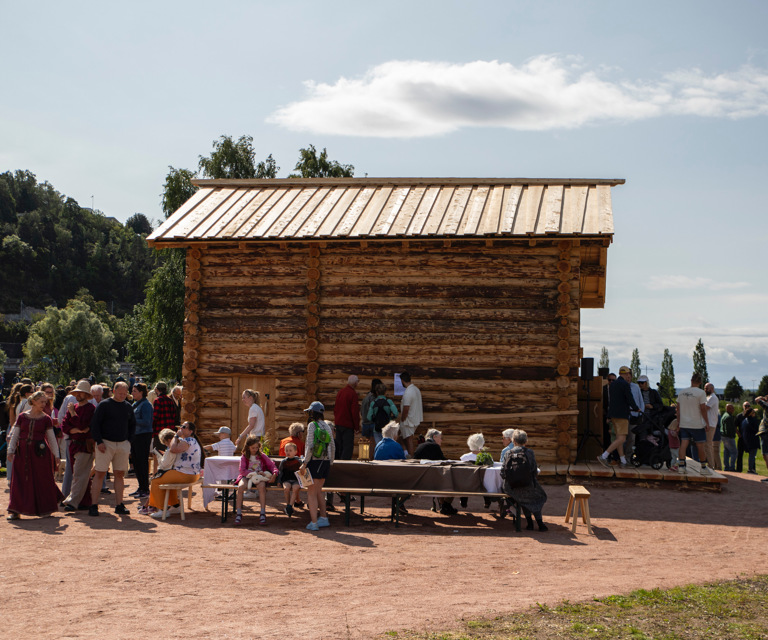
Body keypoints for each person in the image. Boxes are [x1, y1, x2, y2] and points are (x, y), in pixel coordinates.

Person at [6, 390, 62, 520]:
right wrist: (10, 450)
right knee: (19, 480)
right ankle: (15, 510)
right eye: (41, 401)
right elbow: (15, 434)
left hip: (40, 454)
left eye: (45, 402)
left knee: (43, 480)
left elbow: (51, 438)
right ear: (34, 401)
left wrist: (57, 455)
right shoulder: (22, 417)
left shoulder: (46, 419)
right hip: (22, 453)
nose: (44, 404)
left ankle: (46, 509)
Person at [88, 381, 136, 516]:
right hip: (105, 443)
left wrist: (129, 442)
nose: (122, 396)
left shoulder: (128, 406)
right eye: (120, 393)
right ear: (114, 391)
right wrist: (99, 441)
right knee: (100, 473)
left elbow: (132, 425)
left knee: (119, 474)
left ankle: (119, 504)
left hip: (122, 444)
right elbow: (95, 424)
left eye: (125, 393)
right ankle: (94, 505)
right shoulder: (104, 405)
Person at [144, 421, 204, 518]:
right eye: (181, 426)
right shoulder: (190, 440)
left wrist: (175, 436)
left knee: (155, 481)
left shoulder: (188, 440)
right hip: (190, 474)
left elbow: (173, 449)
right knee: (169, 479)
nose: (181, 428)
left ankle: (162, 509)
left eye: (184, 427)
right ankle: (175, 505)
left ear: (190, 431)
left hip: (186, 475)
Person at [501, 429, 548, 531]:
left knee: (521, 497)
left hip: (511, 487)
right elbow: (534, 470)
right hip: (527, 485)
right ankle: (540, 523)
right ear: (526, 441)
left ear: (514, 441)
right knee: (536, 496)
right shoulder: (530, 453)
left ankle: (530, 522)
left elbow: (502, 473)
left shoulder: (507, 453)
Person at [299, 401, 335, 531]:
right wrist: (330, 461)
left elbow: (309, 446)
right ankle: (323, 518)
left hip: (314, 462)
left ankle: (314, 522)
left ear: (312, 413)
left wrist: (304, 463)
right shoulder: (327, 425)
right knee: (319, 490)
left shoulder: (312, 426)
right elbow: (332, 445)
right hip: (325, 462)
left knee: (311, 493)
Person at [61, 380, 96, 511]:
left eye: (81, 393)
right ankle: (85, 501)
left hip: (84, 446)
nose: (78, 395)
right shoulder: (73, 407)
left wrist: (73, 415)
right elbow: (64, 426)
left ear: (86, 394)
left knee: (79, 474)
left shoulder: (90, 409)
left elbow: (83, 426)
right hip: (73, 445)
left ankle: (72, 501)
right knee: (80, 473)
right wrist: (74, 429)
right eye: (77, 392)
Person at [597, 366, 639, 468]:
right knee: (622, 438)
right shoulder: (625, 384)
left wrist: (609, 415)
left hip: (613, 415)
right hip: (622, 415)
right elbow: (629, 398)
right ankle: (604, 456)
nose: (629, 376)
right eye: (628, 374)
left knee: (618, 438)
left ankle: (623, 461)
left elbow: (612, 402)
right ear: (627, 374)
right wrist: (636, 408)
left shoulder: (613, 384)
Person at [233, 434, 277, 525]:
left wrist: (275, 473)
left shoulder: (262, 456)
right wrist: (251, 473)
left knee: (262, 487)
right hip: (247, 477)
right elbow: (242, 470)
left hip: (259, 477)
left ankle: (262, 513)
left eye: (257, 447)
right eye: (253, 448)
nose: (255, 450)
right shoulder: (244, 457)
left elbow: (272, 465)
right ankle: (238, 513)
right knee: (240, 487)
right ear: (248, 447)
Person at [675, 373, 712, 475]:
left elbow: (678, 410)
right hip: (697, 424)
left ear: (691, 380)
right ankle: (703, 468)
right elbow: (703, 409)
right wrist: (707, 423)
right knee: (700, 445)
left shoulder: (682, 392)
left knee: (683, 444)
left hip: (684, 423)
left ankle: (681, 467)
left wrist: (678, 422)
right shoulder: (701, 393)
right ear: (700, 382)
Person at [413, 428, 456, 515]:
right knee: (452, 480)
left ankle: (443, 504)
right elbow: (444, 461)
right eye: (440, 438)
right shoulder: (435, 446)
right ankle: (446, 505)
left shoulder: (420, 446)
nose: (441, 440)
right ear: (434, 437)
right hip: (430, 482)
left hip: (418, 480)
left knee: (440, 478)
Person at [129, 382, 153, 499]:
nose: (132, 393)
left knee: (142, 463)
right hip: (135, 436)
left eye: (134, 391)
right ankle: (140, 487)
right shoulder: (136, 404)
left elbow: (147, 421)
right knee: (136, 463)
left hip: (143, 436)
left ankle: (145, 489)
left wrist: (132, 421)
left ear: (141, 392)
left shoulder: (146, 405)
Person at [459, 433, 493, 510]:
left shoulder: (464, 457)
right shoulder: (487, 457)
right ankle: (487, 501)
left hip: (467, 483)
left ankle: (463, 500)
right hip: (482, 483)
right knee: (486, 480)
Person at [333, 374, 360, 460]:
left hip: (338, 423)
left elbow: (336, 408)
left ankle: (338, 463)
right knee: (347, 447)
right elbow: (354, 412)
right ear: (355, 383)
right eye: (357, 382)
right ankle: (345, 465)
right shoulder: (353, 394)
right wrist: (357, 427)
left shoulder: (340, 392)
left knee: (339, 445)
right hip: (348, 424)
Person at [398, 371, 422, 457]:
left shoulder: (408, 392)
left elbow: (406, 408)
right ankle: (406, 454)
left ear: (402, 380)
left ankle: (411, 458)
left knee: (408, 439)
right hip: (415, 418)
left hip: (409, 420)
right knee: (401, 438)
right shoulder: (416, 389)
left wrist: (403, 418)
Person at [278, 442, 303, 517]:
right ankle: (288, 505)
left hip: (296, 480)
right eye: (287, 450)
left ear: (295, 452)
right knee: (286, 488)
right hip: (286, 479)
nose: (288, 452)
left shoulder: (299, 461)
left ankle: (289, 506)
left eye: (290, 450)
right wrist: (279, 481)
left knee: (295, 488)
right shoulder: (284, 462)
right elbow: (281, 472)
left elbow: (303, 472)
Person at [360, 378, 382, 445]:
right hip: (373, 424)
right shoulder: (374, 399)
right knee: (374, 444)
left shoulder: (366, 398)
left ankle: (369, 455)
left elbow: (361, 411)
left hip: (365, 424)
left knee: (367, 444)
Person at [704, 383, 721, 470]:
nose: (705, 390)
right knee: (706, 445)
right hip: (708, 424)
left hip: (710, 424)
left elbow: (704, 408)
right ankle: (709, 464)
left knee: (708, 445)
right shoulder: (708, 397)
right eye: (705, 388)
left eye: (707, 388)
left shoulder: (712, 398)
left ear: (712, 389)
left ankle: (711, 466)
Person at [740, 408, 759, 474]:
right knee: (752, 455)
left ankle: (751, 469)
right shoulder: (753, 420)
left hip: (747, 440)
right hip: (753, 440)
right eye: (754, 412)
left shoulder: (744, 421)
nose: (754, 414)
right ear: (751, 413)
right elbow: (757, 429)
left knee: (751, 455)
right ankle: (750, 469)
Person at [720, 404, 738, 471]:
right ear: (728, 408)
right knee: (734, 452)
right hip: (728, 437)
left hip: (723, 436)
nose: (733, 409)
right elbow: (728, 429)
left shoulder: (724, 415)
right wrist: (732, 436)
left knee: (726, 452)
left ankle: (726, 467)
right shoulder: (728, 417)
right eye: (732, 408)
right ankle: (732, 467)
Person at [754, 395, 768, 483]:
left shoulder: (766, 406)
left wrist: (762, 398)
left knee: (765, 454)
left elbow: (756, 399)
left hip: (766, 432)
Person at [734, 401, 750, 473]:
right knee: (740, 454)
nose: (747, 407)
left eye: (748, 405)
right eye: (745, 405)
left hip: (749, 438)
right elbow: (734, 426)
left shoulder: (751, 415)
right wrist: (738, 433)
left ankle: (751, 469)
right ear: (743, 406)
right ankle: (739, 470)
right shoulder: (739, 416)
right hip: (741, 438)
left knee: (751, 454)